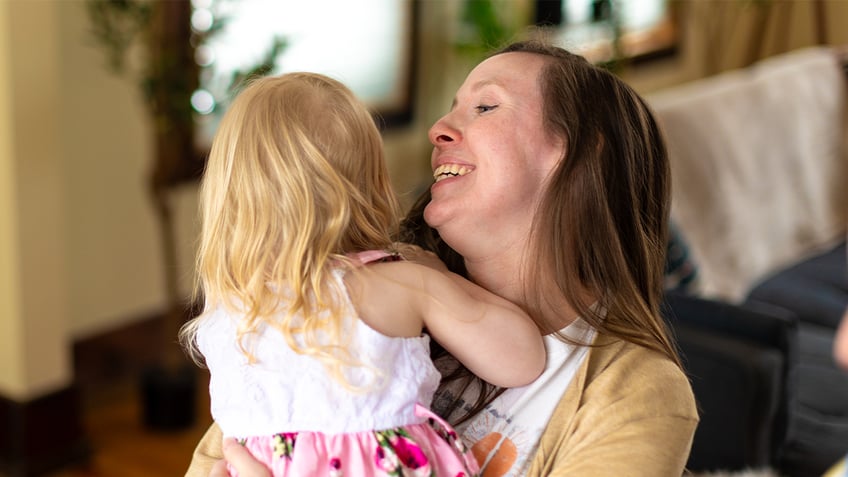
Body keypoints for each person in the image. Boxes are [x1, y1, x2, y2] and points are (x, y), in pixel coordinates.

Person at [186, 40, 699, 477]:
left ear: (581, 153)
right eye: (453, 108)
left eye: (485, 107)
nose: (438, 129)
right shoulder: (344, 307)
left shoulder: (638, 396)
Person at [180, 71, 547, 476]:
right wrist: (438, 274)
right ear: (371, 186)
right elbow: (522, 359)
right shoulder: (400, 284)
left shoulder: (227, 316)